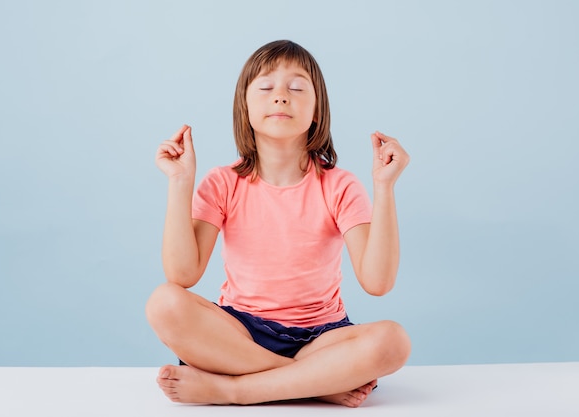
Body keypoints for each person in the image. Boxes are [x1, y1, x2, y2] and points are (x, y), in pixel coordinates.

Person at [146, 39, 411, 408]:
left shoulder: (340, 185)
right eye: (266, 87)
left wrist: (384, 187)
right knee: (163, 303)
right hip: (240, 332)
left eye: (298, 87)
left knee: (393, 341)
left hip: (323, 337)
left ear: (317, 110)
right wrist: (179, 183)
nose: (281, 96)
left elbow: (378, 282)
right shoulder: (223, 182)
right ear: (246, 107)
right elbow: (182, 273)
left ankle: (234, 389)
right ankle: (315, 383)